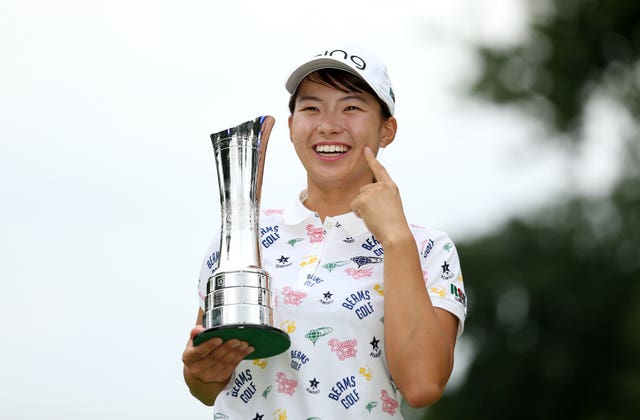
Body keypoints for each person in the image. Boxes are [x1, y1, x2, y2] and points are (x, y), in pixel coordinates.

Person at [182, 44, 467, 419]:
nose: (328, 124)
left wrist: (396, 239)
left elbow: (422, 385)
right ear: (291, 126)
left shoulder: (428, 248)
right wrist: (199, 373)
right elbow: (207, 387)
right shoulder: (243, 236)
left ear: (387, 129)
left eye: (351, 107)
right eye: (312, 108)